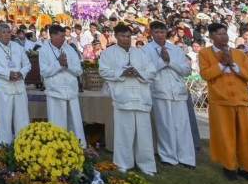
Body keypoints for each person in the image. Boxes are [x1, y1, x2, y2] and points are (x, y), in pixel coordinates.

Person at [198, 22, 248, 184]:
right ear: (211, 37)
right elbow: (206, 75)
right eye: (219, 34)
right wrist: (222, 64)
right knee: (225, 136)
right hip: (220, 101)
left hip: (241, 100)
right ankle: (229, 168)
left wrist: (233, 64)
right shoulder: (205, 53)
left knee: (246, 137)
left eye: (225, 34)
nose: (224, 37)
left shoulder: (239, 54)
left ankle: (247, 169)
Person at [99, 24, 156, 175]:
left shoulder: (140, 53)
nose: (125, 39)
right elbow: (103, 72)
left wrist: (139, 73)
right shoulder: (108, 53)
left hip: (141, 97)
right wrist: (122, 72)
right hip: (122, 96)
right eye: (122, 36)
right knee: (124, 131)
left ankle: (146, 165)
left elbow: (151, 72)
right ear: (116, 36)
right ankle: (123, 163)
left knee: (144, 132)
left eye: (128, 36)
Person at [143, 21, 196, 169]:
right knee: (165, 125)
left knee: (182, 125)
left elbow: (187, 70)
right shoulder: (145, 50)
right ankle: (168, 156)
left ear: (166, 33)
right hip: (159, 90)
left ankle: (186, 157)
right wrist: (162, 61)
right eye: (156, 32)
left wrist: (170, 61)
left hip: (178, 91)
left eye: (162, 32)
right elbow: (146, 72)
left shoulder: (176, 49)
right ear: (151, 33)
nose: (160, 35)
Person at [39, 24, 85, 146]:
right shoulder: (44, 50)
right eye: (61, 36)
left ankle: (78, 147)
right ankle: (58, 149)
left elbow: (79, 71)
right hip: (55, 92)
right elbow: (44, 73)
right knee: (57, 124)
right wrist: (58, 64)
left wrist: (67, 66)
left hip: (71, 92)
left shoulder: (69, 49)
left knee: (75, 124)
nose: (64, 39)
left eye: (64, 36)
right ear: (53, 36)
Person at [0, 23, 29, 146]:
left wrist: (20, 73)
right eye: (4, 33)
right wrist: (7, 74)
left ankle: (23, 147)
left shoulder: (17, 46)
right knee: (4, 120)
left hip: (19, 87)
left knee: (22, 118)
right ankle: (3, 148)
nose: (7, 35)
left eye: (8, 32)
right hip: (3, 88)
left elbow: (27, 64)